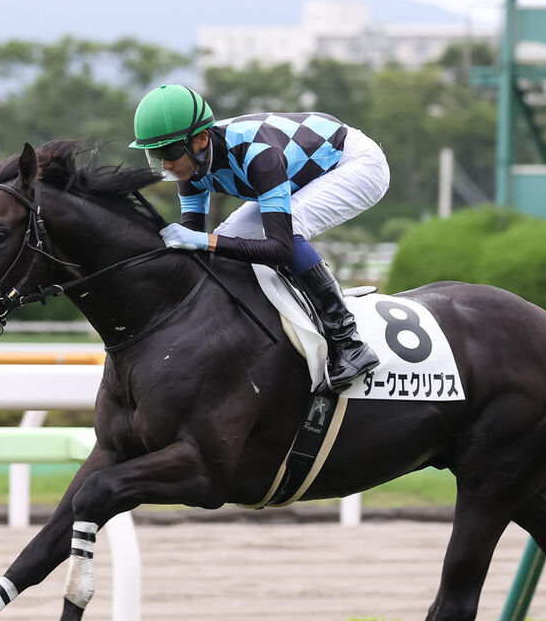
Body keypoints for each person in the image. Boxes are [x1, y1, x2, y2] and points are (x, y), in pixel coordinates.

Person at [129, 83, 385, 391]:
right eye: (156, 154)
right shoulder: (190, 168)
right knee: (225, 239)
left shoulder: (258, 156)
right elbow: (195, 246)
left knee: (286, 229)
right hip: (301, 169)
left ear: (200, 140)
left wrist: (203, 241)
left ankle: (349, 342)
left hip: (355, 163)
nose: (166, 164)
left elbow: (280, 248)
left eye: (170, 152)